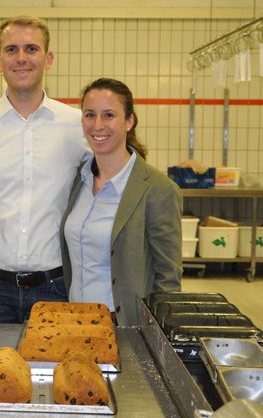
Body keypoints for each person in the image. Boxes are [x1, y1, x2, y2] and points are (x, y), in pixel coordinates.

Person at [0, 15, 91, 323]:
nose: (21, 58)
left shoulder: (76, 125)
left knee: (54, 371)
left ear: (48, 58)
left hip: (57, 287)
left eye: (31, 49)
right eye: (11, 50)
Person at [60, 78, 183, 326]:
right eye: (89, 115)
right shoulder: (78, 180)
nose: (97, 125)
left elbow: (167, 280)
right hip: (74, 320)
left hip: (124, 325)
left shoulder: (157, 190)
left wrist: (157, 332)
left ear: (129, 121)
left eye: (108, 115)